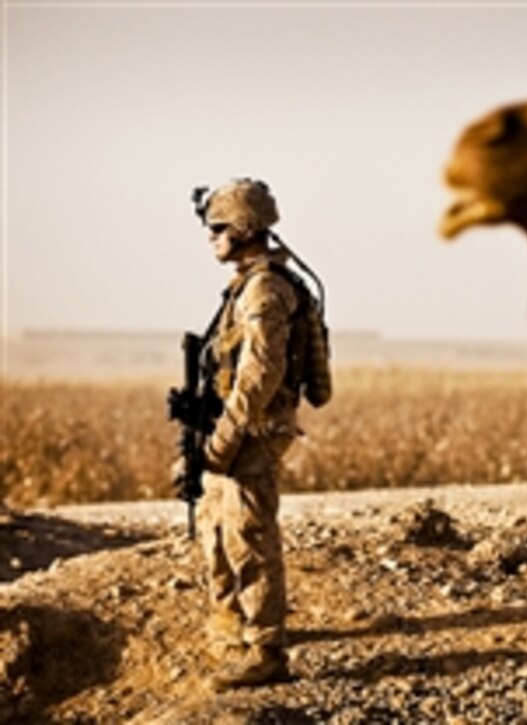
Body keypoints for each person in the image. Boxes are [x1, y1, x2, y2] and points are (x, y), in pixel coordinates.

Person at [178, 177, 302, 690]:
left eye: (218, 228)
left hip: (255, 430)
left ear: (246, 229)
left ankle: (267, 651)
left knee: (248, 536)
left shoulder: (266, 290)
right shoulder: (246, 284)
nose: (210, 237)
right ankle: (233, 625)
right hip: (235, 426)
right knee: (214, 526)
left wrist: (223, 439)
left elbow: (259, 374)